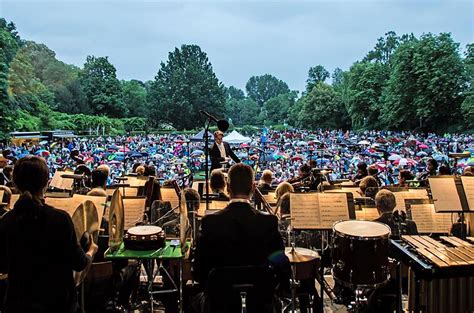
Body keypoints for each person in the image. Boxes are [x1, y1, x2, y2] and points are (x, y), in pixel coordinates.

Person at [0, 156, 98, 312]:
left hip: (17, 305)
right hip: (58, 304)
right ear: (46, 182)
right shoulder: (60, 219)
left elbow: (3, 266)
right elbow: (79, 263)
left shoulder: (6, 221)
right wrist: (91, 250)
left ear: (15, 183)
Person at [193, 163, 289, 312]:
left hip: (219, 303)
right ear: (252, 188)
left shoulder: (210, 222)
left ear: (228, 188)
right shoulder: (268, 222)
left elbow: (199, 270)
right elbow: (281, 264)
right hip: (260, 303)